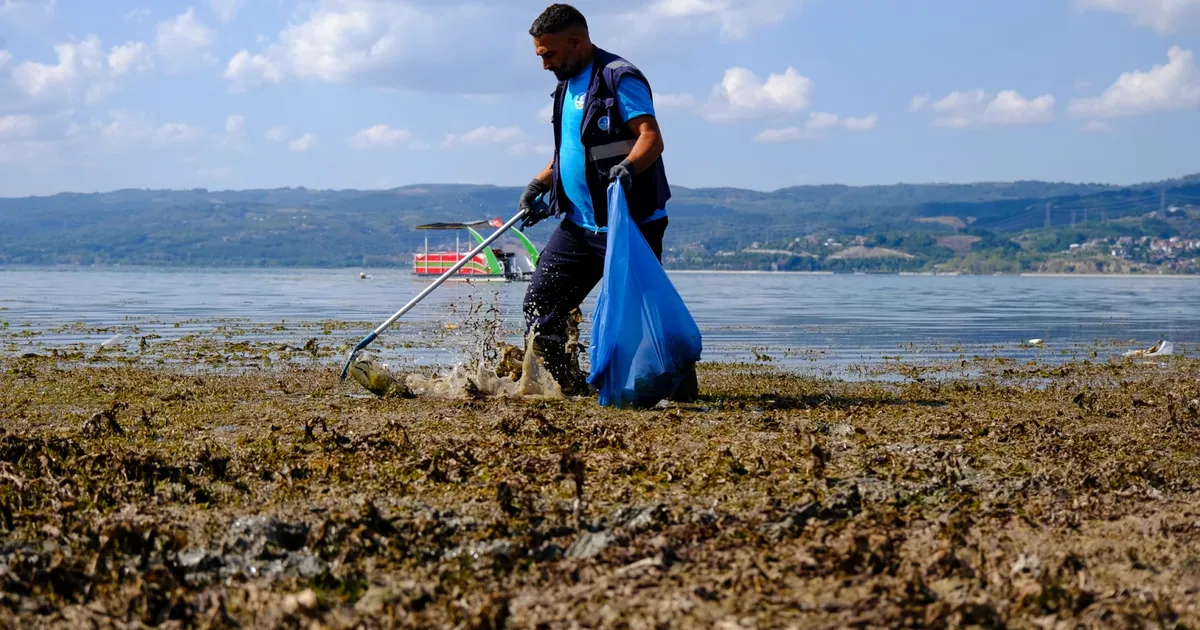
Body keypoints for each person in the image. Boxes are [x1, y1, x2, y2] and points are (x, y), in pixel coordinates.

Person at [517, 3, 698, 402]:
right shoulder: (565, 85)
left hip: (630, 223)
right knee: (541, 305)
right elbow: (570, 151)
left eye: (548, 53)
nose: (544, 63)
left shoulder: (619, 78)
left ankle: (679, 390)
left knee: (642, 316)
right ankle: (573, 388)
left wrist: (629, 168)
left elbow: (651, 136)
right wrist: (540, 182)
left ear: (575, 42)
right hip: (578, 226)